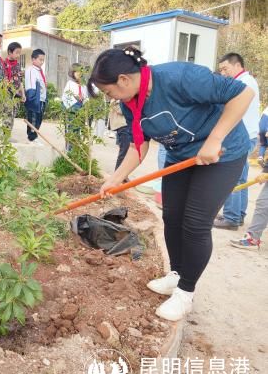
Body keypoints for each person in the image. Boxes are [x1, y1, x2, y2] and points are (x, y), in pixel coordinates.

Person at [89, 46, 253, 321]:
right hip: (181, 158)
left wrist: (215, 139)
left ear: (123, 79)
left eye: (108, 91)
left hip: (222, 155)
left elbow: (243, 94)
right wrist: (114, 179)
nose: (110, 98)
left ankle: (185, 293)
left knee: (195, 223)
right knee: (172, 217)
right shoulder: (130, 103)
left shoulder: (179, 77)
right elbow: (138, 144)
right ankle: (176, 275)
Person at [213, 53, 261, 229]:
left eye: (225, 69)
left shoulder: (243, 83)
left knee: (232, 177)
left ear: (237, 65)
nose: (223, 73)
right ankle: (238, 214)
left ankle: (231, 217)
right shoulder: (248, 81)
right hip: (248, 135)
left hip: (242, 137)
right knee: (241, 177)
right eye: (221, 70)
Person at [62, 63, 88, 151]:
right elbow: (65, 97)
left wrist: (84, 101)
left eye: (80, 72)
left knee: (78, 129)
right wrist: (74, 100)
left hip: (81, 109)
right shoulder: (70, 84)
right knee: (71, 129)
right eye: (76, 72)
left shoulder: (83, 85)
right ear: (72, 73)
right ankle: (69, 150)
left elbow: (85, 97)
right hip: (72, 109)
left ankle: (76, 149)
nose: (79, 74)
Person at [25, 49, 47, 144]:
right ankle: (31, 137)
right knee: (33, 118)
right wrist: (32, 99)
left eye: (43, 60)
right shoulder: (31, 70)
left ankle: (35, 136)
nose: (42, 62)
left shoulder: (40, 71)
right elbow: (30, 85)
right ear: (33, 59)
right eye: (40, 59)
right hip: (35, 99)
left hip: (42, 99)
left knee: (39, 119)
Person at [3, 42, 26, 131]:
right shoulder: (3, 64)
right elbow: (3, 80)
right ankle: (5, 135)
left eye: (20, 53)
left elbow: (20, 81)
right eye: (17, 52)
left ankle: (8, 134)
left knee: (13, 115)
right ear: (10, 52)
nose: (18, 55)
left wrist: (23, 94)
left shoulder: (18, 66)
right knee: (7, 115)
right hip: (7, 94)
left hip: (16, 95)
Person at [107, 99, 131, 170]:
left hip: (126, 126)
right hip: (123, 126)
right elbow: (122, 111)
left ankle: (121, 173)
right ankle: (118, 173)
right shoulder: (116, 100)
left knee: (126, 152)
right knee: (124, 152)